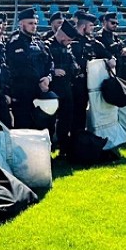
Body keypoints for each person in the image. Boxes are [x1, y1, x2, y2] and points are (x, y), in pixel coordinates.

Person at [6, 7, 53, 130]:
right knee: (23, 129)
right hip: (22, 95)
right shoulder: (12, 44)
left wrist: (48, 78)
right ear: (21, 24)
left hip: (39, 94)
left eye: (35, 24)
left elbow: (50, 63)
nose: (34, 26)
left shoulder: (40, 43)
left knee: (40, 128)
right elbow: (9, 69)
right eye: (30, 23)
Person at [70, 12, 115, 132]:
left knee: (84, 110)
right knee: (77, 112)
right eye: (91, 26)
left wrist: (111, 58)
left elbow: (105, 52)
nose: (93, 29)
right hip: (76, 83)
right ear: (83, 26)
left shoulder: (91, 41)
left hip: (91, 83)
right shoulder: (72, 40)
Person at [48, 20, 80, 155]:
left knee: (66, 119)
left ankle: (63, 149)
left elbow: (74, 66)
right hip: (52, 90)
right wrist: (53, 71)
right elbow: (44, 65)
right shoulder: (47, 45)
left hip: (66, 88)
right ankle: (47, 149)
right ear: (61, 35)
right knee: (49, 121)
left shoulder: (67, 47)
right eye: (67, 40)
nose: (69, 43)